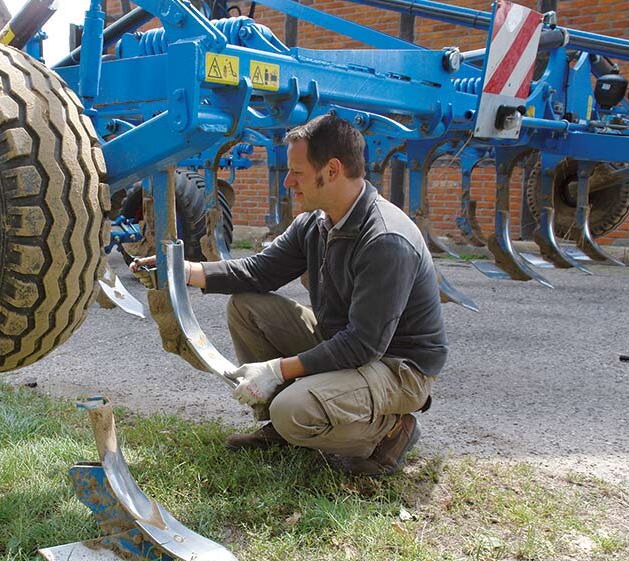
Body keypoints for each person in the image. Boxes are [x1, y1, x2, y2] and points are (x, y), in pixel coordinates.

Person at [130, 114, 447, 476]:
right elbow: (257, 272)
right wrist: (182, 271)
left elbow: (363, 345)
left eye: (296, 171)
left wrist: (276, 370)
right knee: (248, 307)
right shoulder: (317, 223)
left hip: (397, 367)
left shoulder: (385, 240)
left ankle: (389, 431)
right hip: (348, 342)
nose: (287, 180)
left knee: (292, 410)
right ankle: (279, 430)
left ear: (331, 170)